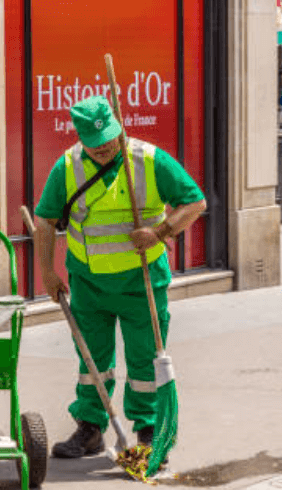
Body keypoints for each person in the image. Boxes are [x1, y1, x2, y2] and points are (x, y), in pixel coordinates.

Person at [33, 95, 207, 458]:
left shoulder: (149, 160)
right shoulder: (66, 166)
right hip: (89, 283)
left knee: (145, 361)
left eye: (109, 140)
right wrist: (47, 271)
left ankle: (146, 432)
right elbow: (45, 221)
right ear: (80, 138)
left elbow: (195, 203)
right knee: (92, 361)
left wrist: (160, 232)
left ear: (118, 126)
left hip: (141, 283)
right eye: (94, 146)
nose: (104, 149)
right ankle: (91, 428)